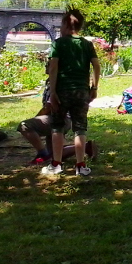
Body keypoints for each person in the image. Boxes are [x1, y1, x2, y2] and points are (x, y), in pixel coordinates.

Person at [42, 9, 100, 177]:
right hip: (82, 92)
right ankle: (81, 166)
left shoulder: (58, 44)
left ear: (66, 24)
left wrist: (52, 92)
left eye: (61, 23)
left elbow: (53, 68)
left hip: (62, 92)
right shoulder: (87, 44)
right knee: (80, 128)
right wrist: (94, 87)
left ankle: (56, 164)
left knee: (57, 127)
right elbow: (96, 66)